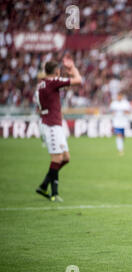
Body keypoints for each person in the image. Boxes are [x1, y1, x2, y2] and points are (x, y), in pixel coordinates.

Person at [35, 57, 82, 202]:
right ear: (56, 71)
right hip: (51, 125)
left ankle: (44, 185)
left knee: (65, 158)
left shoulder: (43, 84)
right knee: (57, 158)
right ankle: (54, 193)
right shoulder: (52, 82)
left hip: (53, 123)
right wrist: (72, 68)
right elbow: (78, 80)